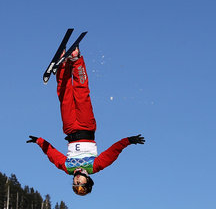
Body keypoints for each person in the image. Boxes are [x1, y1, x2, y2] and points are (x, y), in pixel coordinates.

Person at [27, 47, 145, 196]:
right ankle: (76, 61)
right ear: (87, 181)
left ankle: (63, 65)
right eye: (80, 184)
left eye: (74, 185)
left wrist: (40, 141)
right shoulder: (94, 166)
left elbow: (53, 155)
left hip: (70, 129)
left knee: (64, 96)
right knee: (82, 94)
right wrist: (128, 141)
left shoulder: (68, 167)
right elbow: (112, 152)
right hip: (86, 127)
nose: (76, 181)